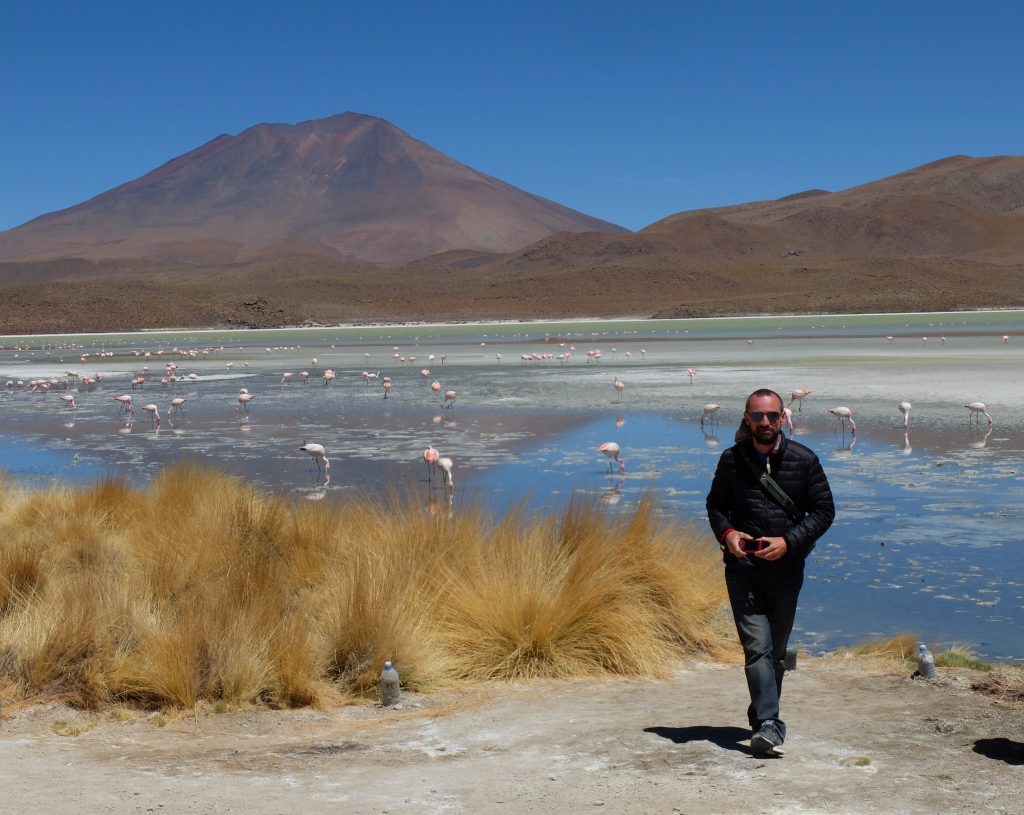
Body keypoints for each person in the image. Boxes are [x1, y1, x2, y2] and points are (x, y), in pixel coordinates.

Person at [706, 388, 835, 756]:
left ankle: (763, 713)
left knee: (776, 651)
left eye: (772, 416)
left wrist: (789, 543)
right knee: (756, 648)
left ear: (782, 418)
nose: (765, 422)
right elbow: (716, 506)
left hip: (786, 571)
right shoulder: (731, 461)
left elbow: (824, 511)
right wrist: (727, 534)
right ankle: (768, 723)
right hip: (743, 569)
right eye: (758, 416)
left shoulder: (804, 460)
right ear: (747, 418)